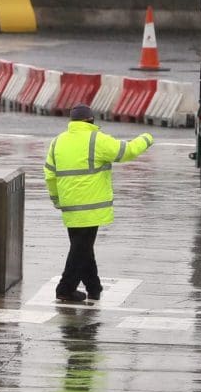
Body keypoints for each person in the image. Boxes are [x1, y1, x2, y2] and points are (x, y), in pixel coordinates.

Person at [44, 104, 154, 304]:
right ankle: (65, 288)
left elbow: (50, 174)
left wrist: (56, 199)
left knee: (83, 247)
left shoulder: (57, 141)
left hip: (69, 205)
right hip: (91, 206)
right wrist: (146, 138)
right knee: (80, 248)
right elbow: (126, 152)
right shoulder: (97, 139)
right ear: (90, 120)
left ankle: (94, 287)